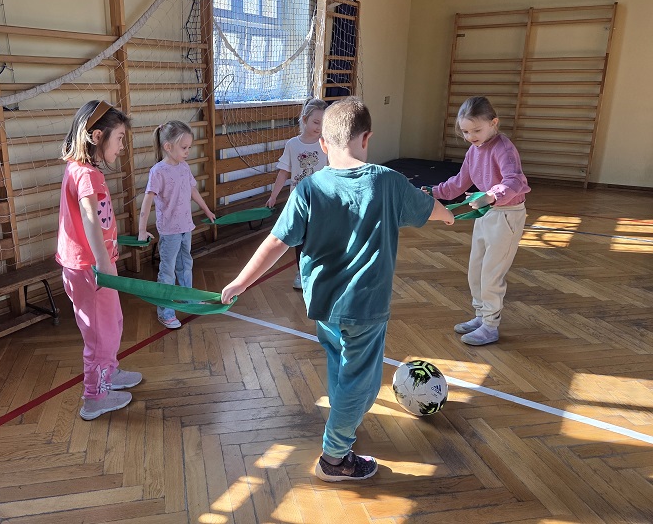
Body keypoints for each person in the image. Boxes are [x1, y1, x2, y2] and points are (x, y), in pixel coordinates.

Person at [221, 97, 454, 482]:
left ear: (323, 144)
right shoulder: (388, 181)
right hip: (365, 308)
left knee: (342, 366)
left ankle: (344, 419)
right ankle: (335, 457)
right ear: (367, 138)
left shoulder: (310, 188)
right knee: (360, 381)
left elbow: (276, 243)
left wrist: (240, 281)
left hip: (324, 305)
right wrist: (448, 216)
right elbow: (430, 209)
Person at [56, 100, 143, 421]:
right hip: (91, 269)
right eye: (119, 138)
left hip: (94, 266)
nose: (122, 146)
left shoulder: (82, 170)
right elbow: (91, 219)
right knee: (99, 335)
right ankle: (94, 397)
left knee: (112, 323)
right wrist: (104, 264)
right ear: (96, 137)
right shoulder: (86, 175)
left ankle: (110, 372)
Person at [426, 96, 529, 346]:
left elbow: (515, 180)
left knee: (492, 272)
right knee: (476, 269)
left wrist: (493, 195)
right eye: (465, 131)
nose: (470, 136)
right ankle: (481, 316)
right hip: (486, 212)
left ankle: (491, 326)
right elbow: (459, 182)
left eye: (476, 130)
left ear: (494, 123)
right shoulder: (474, 150)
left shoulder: (504, 148)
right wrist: (433, 192)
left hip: (507, 215)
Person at [138, 120, 215, 329]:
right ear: (168, 147)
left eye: (189, 147)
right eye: (184, 147)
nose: (187, 152)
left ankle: (188, 298)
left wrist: (206, 210)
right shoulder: (158, 171)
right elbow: (147, 200)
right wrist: (142, 229)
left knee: (186, 265)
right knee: (167, 271)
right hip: (170, 231)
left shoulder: (184, 167)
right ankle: (165, 312)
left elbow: (192, 190)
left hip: (186, 227)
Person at [264, 97, 328, 290]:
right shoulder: (293, 144)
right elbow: (283, 172)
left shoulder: (326, 144)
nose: (319, 127)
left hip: (321, 201)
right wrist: (273, 196)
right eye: (316, 122)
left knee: (318, 238)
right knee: (300, 240)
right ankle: (301, 273)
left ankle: (318, 272)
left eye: (323, 123)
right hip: (299, 202)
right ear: (305, 119)